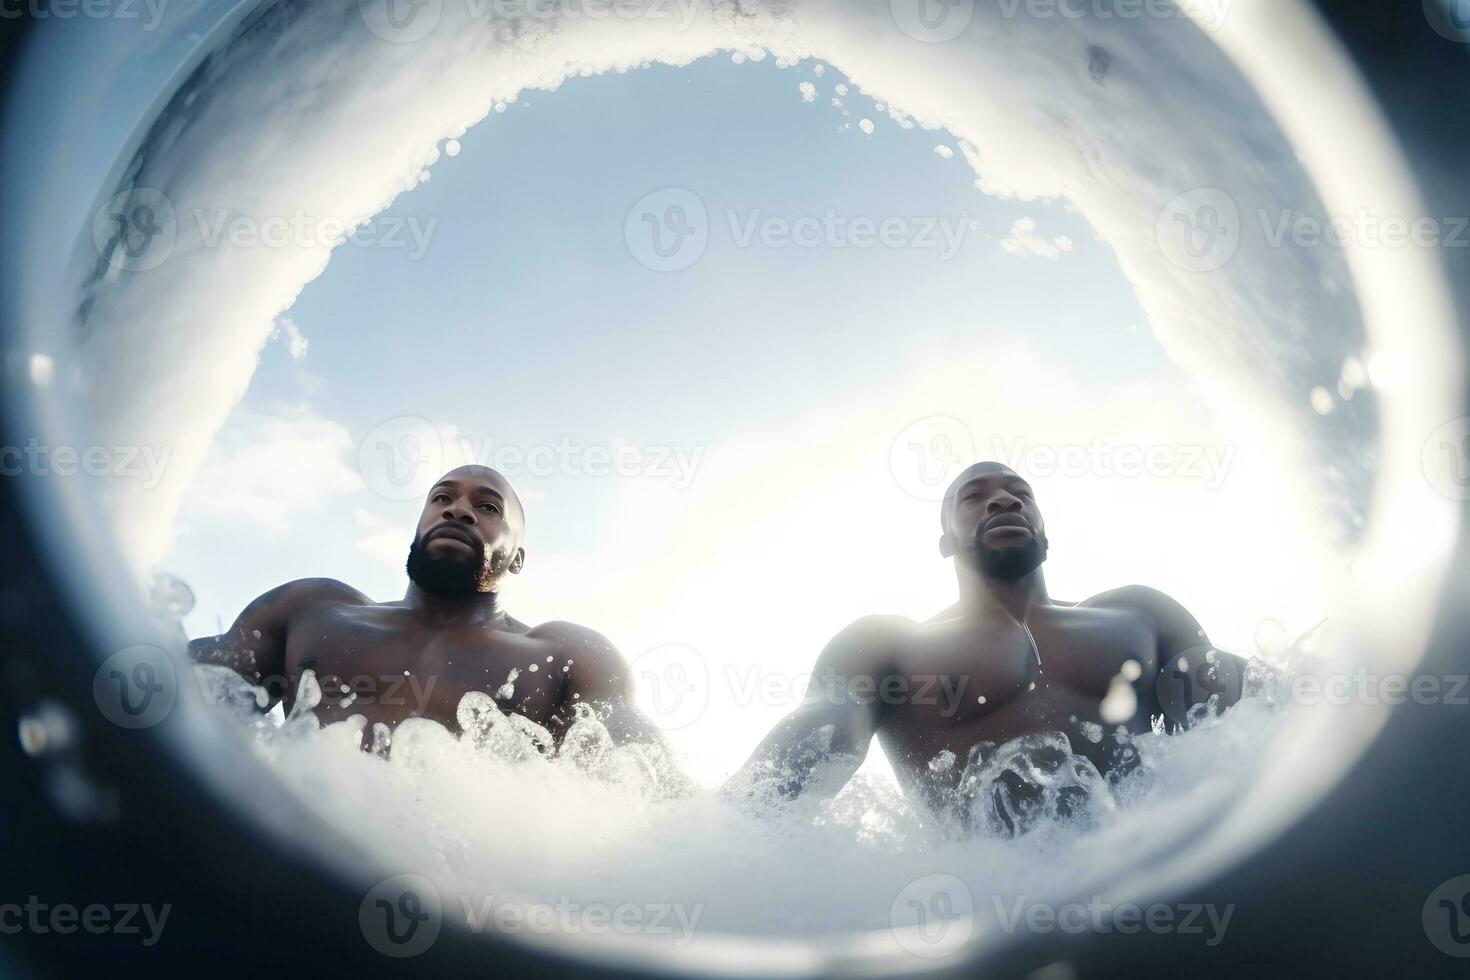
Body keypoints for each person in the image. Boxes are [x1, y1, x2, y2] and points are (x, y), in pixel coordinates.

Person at [729, 461, 1244, 829]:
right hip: (995, 911)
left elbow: (1242, 719)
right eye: (973, 496)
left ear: (1045, 529)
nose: (1003, 499)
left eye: (1020, 492)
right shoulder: (887, 644)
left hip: (1159, 870)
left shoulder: (1140, 613)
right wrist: (715, 840)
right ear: (946, 539)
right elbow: (806, 750)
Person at [189, 465, 671, 758]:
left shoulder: (564, 654)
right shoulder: (311, 609)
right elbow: (178, 699)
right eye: (442, 498)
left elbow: (644, 785)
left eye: (487, 507)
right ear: (419, 525)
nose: (458, 510)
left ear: (518, 557)